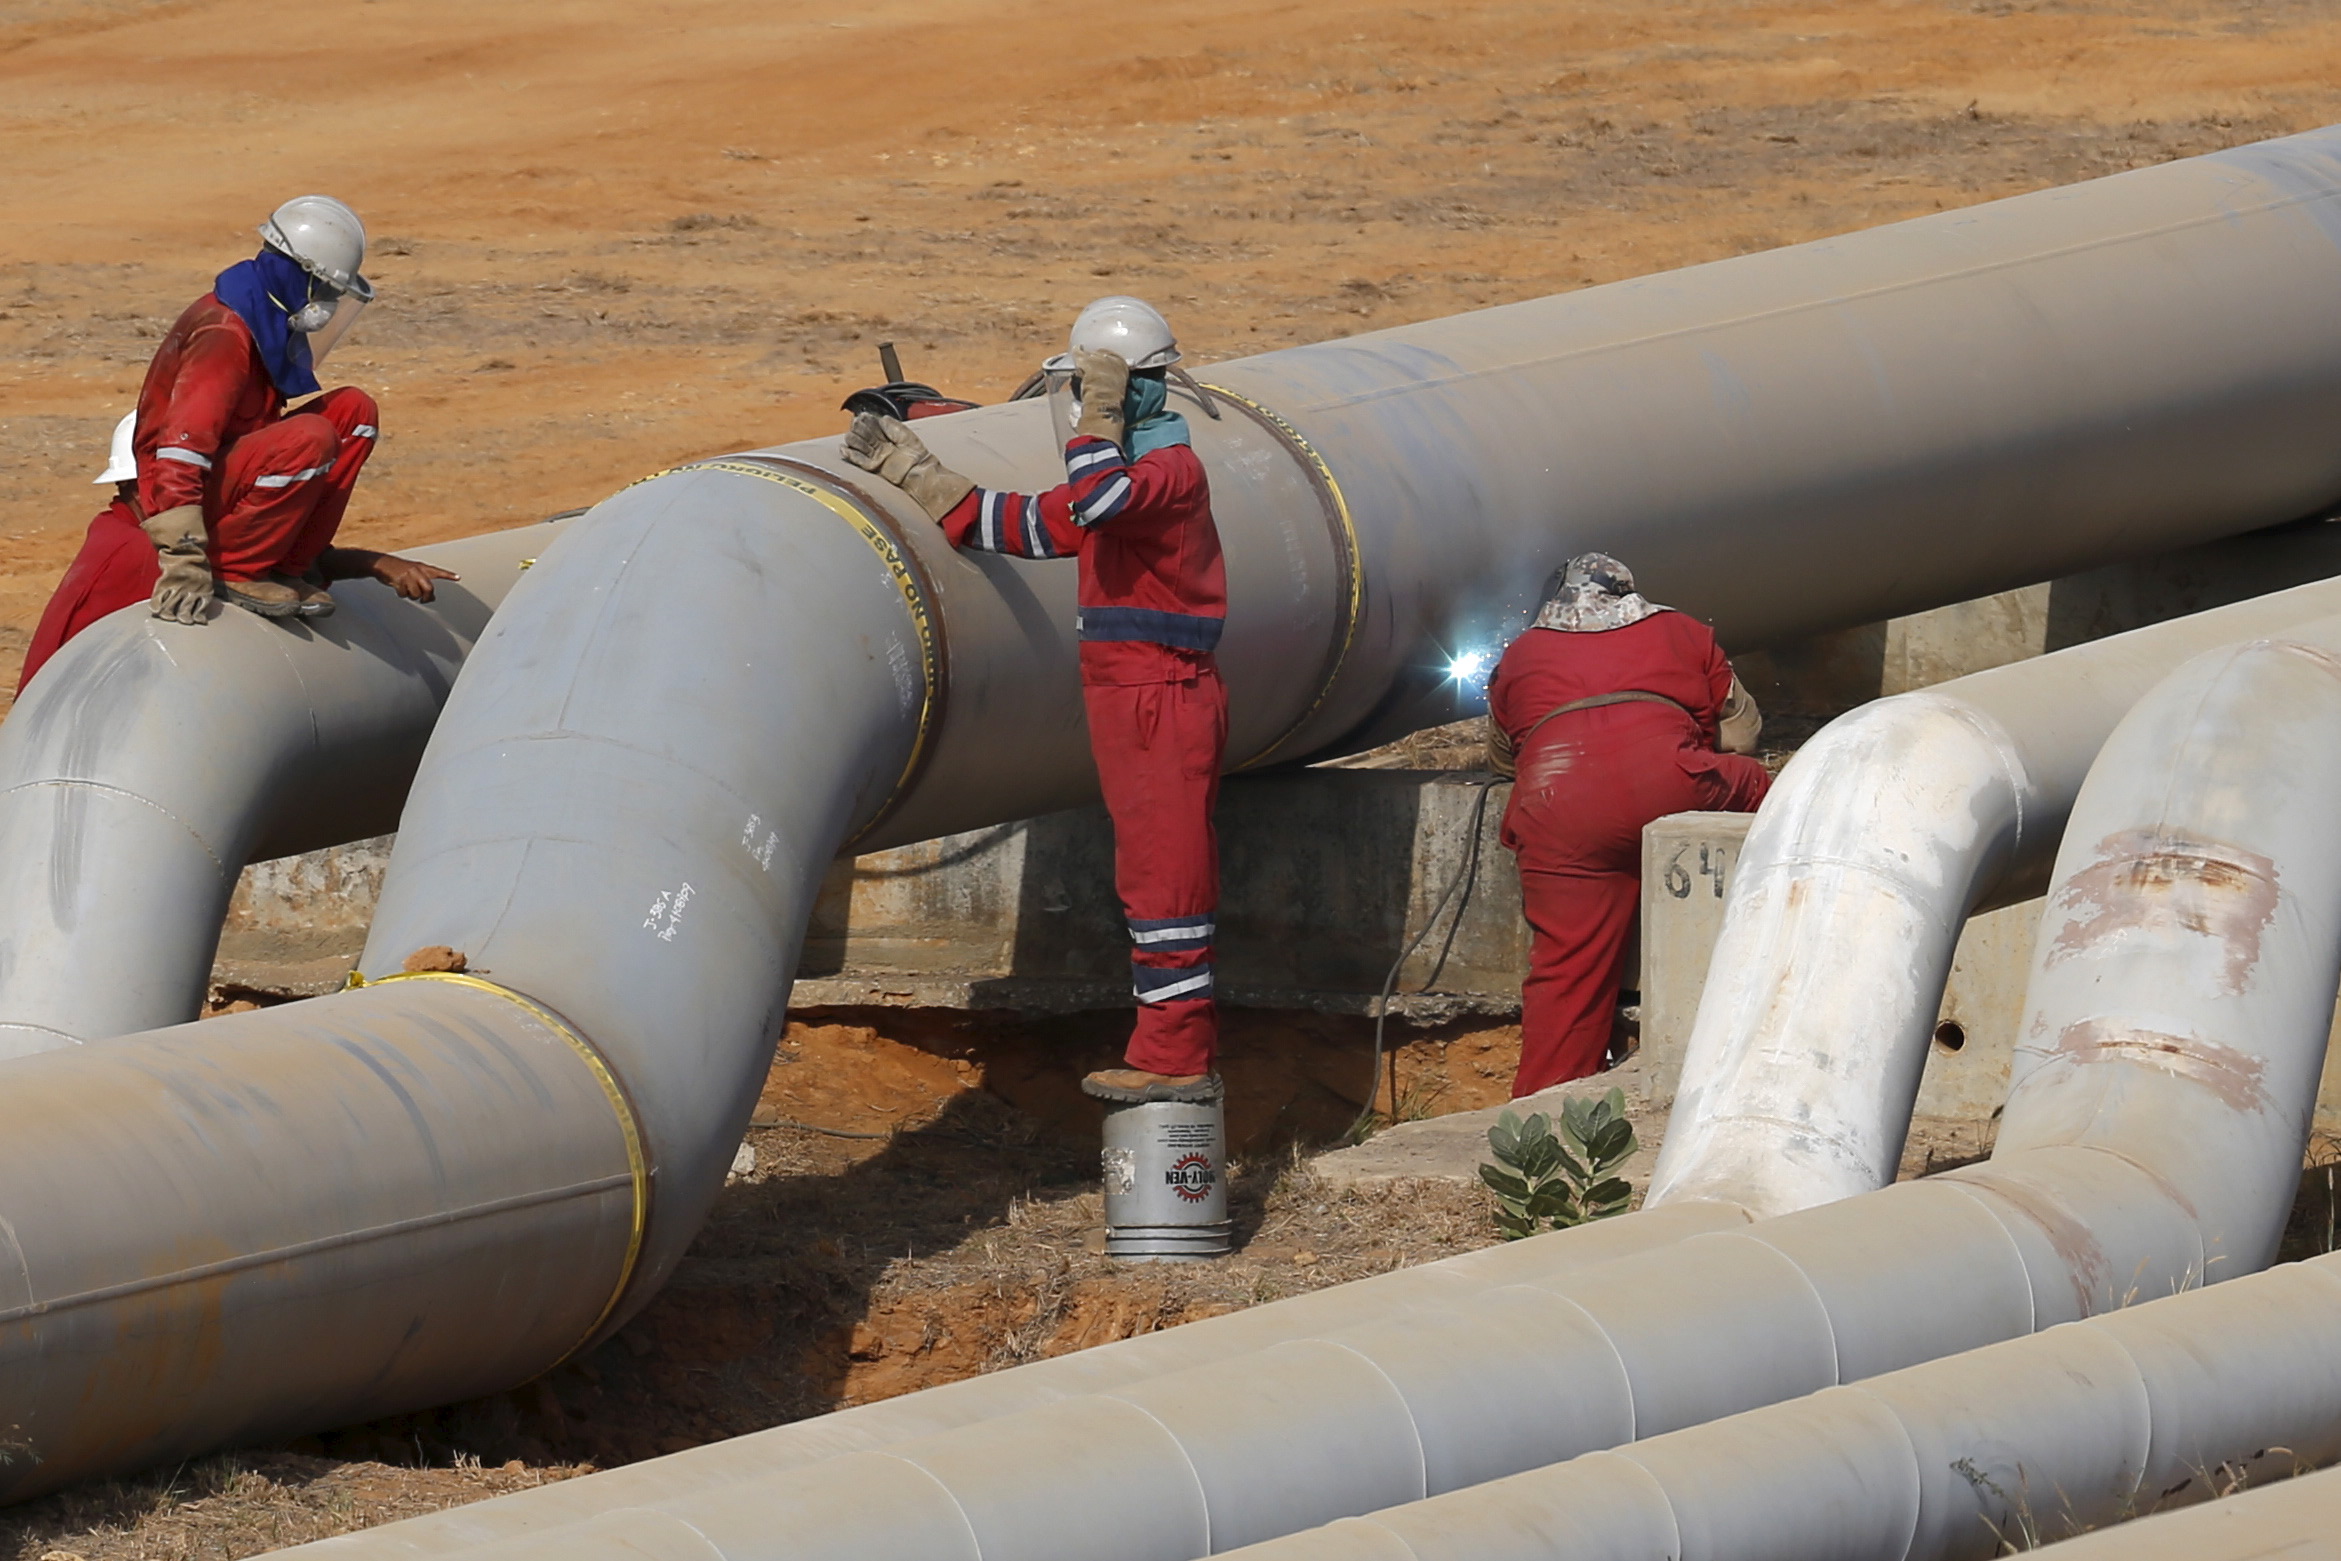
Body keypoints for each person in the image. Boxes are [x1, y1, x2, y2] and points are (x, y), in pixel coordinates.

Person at [842, 297, 1228, 1105]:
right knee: (1147, 873)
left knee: (1164, 878)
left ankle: (1174, 1052)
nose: (1075, 407)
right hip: (1132, 693)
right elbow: (1024, 524)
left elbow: (1091, 503)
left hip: (1160, 692)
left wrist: (1098, 416)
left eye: (1088, 387)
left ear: (1125, 387)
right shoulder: (1126, 480)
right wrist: (916, 473)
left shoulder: (1165, 473)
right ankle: (1167, 1043)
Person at [1486, 553, 1770, 1096]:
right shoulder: (1684, 632)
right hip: (1669, 781)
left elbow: (1504, 761)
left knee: (1566, 973)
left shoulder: (1520, 655)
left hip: (1556, 806)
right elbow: (1741, 737)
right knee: (1776, 788)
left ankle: (1538, 1120)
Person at [131, 194, 442, 623]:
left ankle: (292, 563)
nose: (330, 303)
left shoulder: (261, 314)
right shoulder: (226, 334)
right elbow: (181, 451)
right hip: (186, 495)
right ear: (301, 275)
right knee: (308, 438)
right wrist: (184, 558)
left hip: (230, 477)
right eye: (328, 289)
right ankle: (235, 569)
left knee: (354, 411)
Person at [18, 411, 456, 693]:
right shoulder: (140, 551)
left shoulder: (166, 537)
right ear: (139, 485)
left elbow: (268, 568)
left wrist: (375, 564)